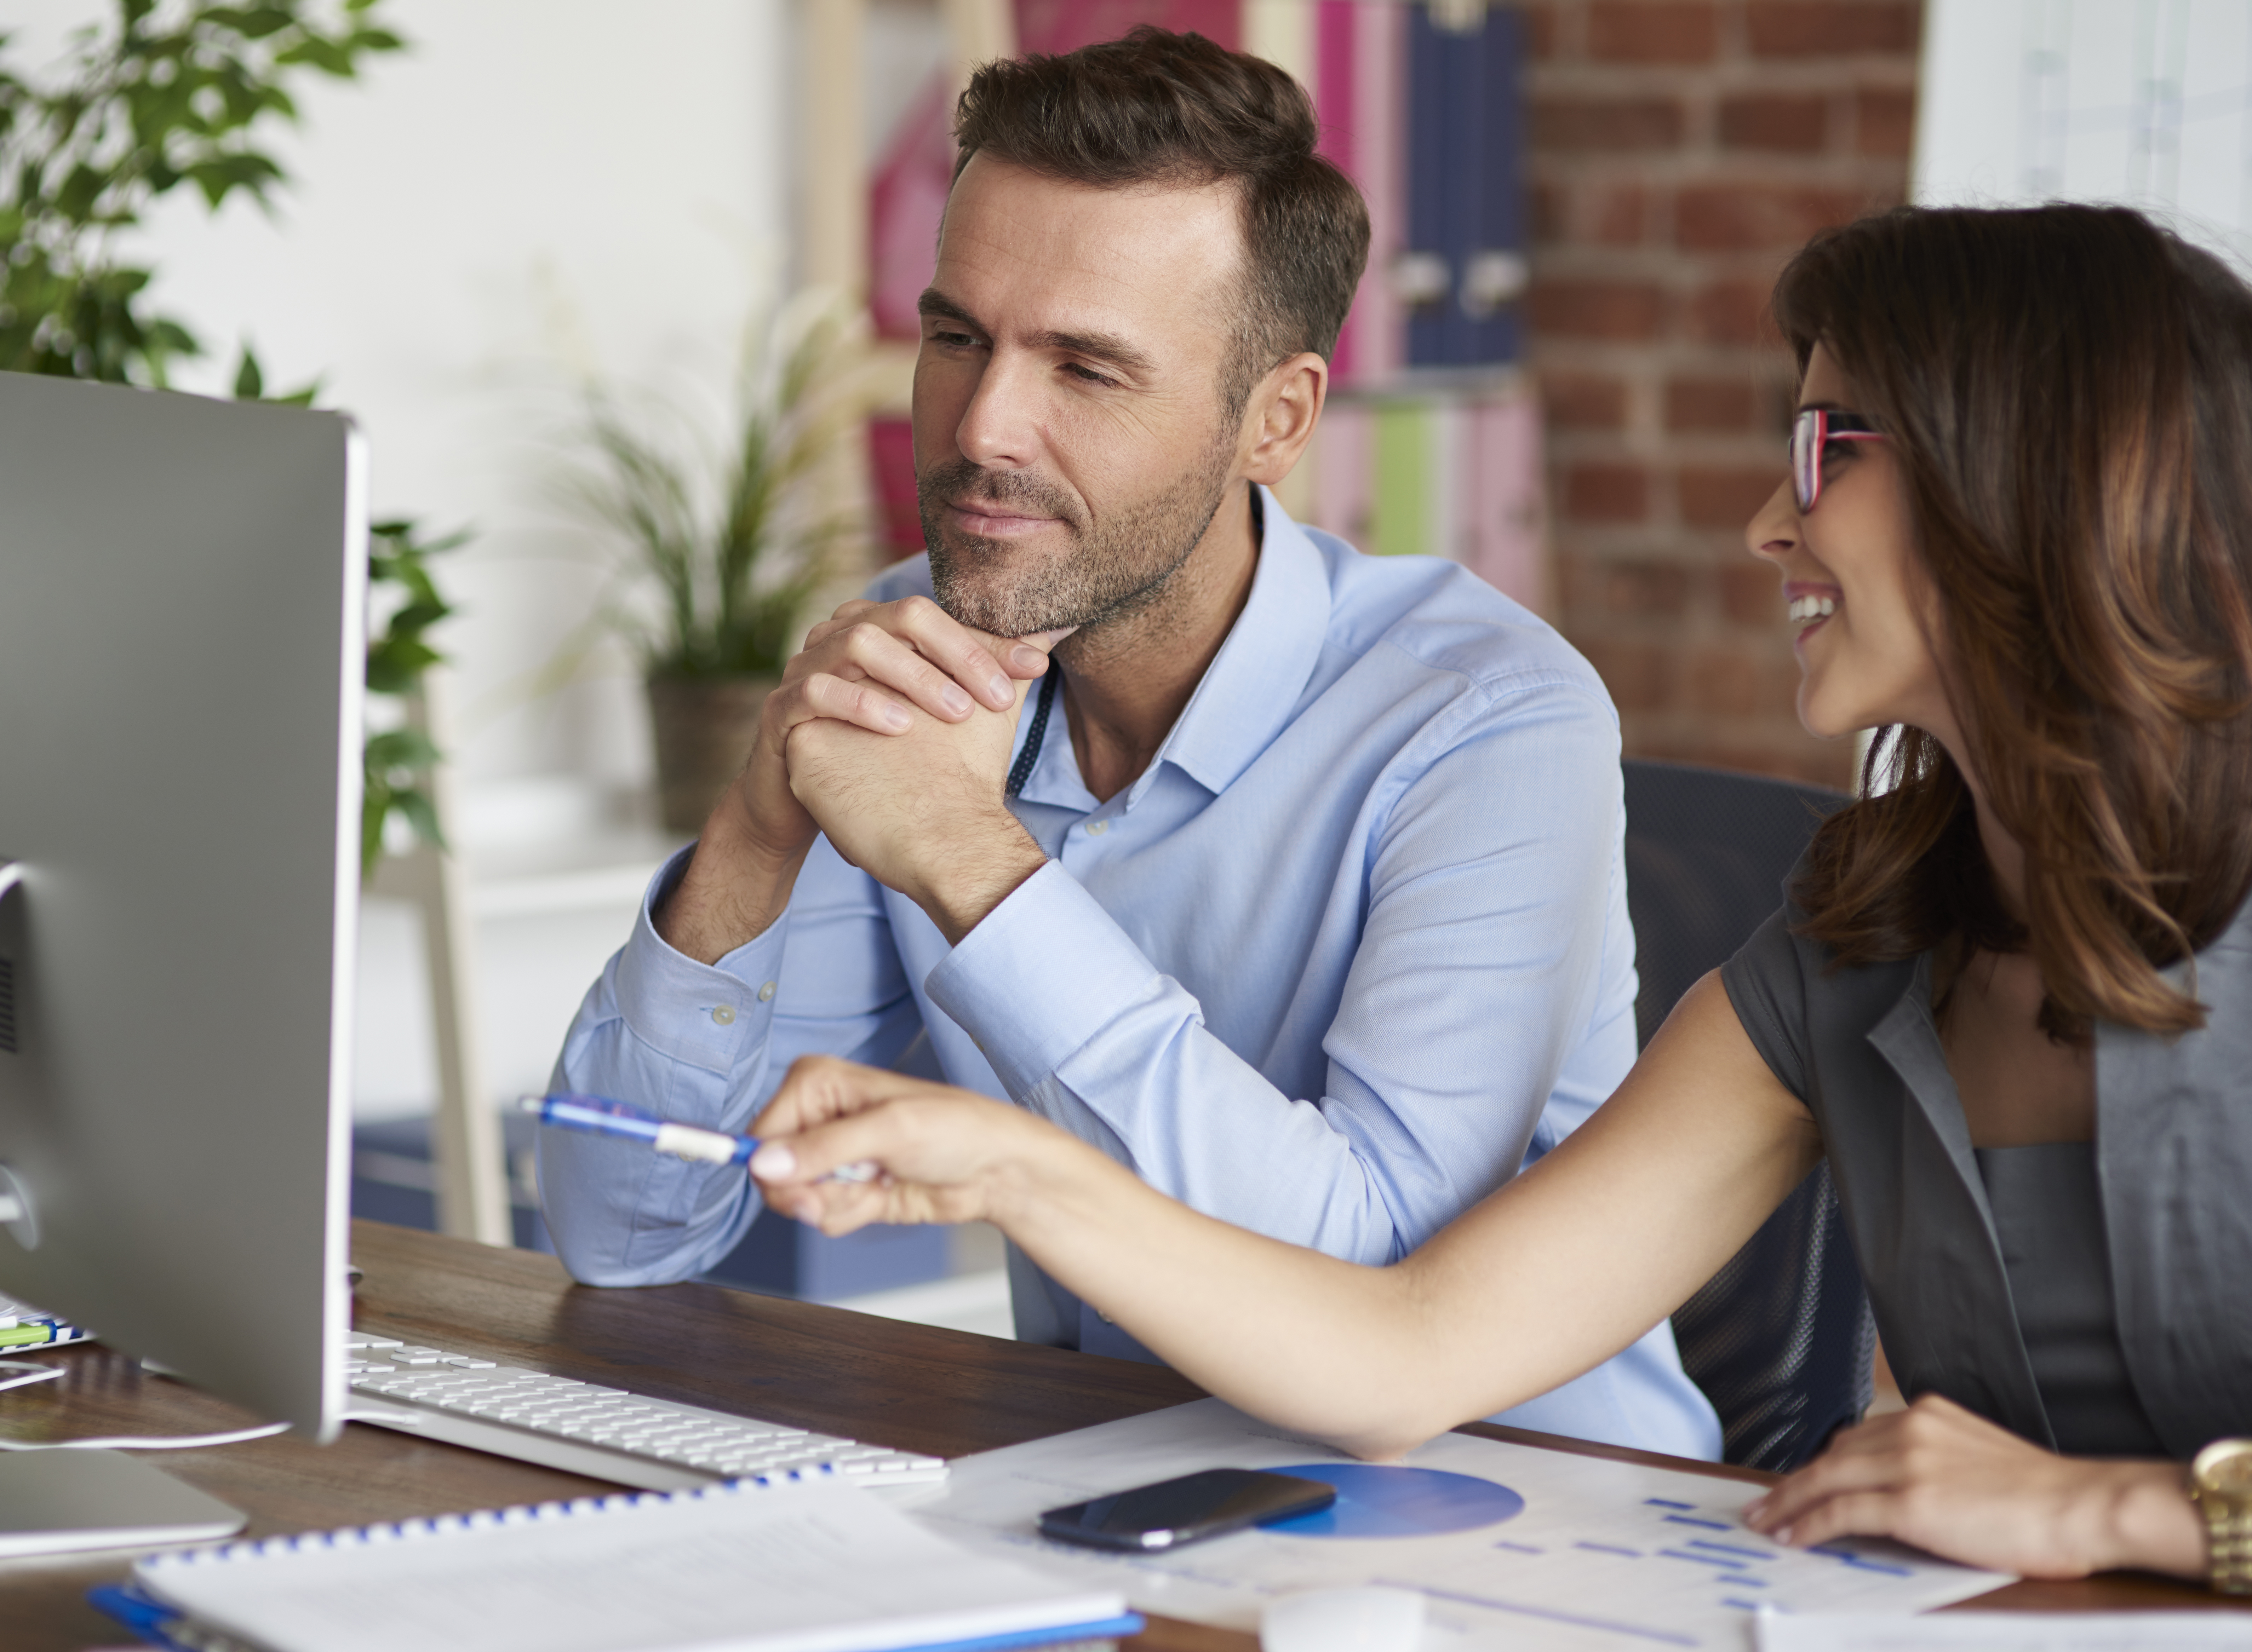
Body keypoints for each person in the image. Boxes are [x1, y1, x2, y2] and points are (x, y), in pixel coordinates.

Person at [743, 202, 2252, 1586]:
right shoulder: (1858, 944)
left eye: (1828, 453)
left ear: (2029, 483)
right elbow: (1409, 1349)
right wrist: (1013, 1171)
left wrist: (2111, 1508)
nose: (1767, 528)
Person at [540, 27, 1718, 1458]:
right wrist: (757, 828)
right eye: (957, 336)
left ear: (1274, 419)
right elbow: (621, 1230)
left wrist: (978, 864)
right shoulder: (923, 654)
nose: (983, 427)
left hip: (1537, 1524)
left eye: (1086, 370)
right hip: (1120, 1487)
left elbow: (1371, 1290)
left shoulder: (1488, 718)